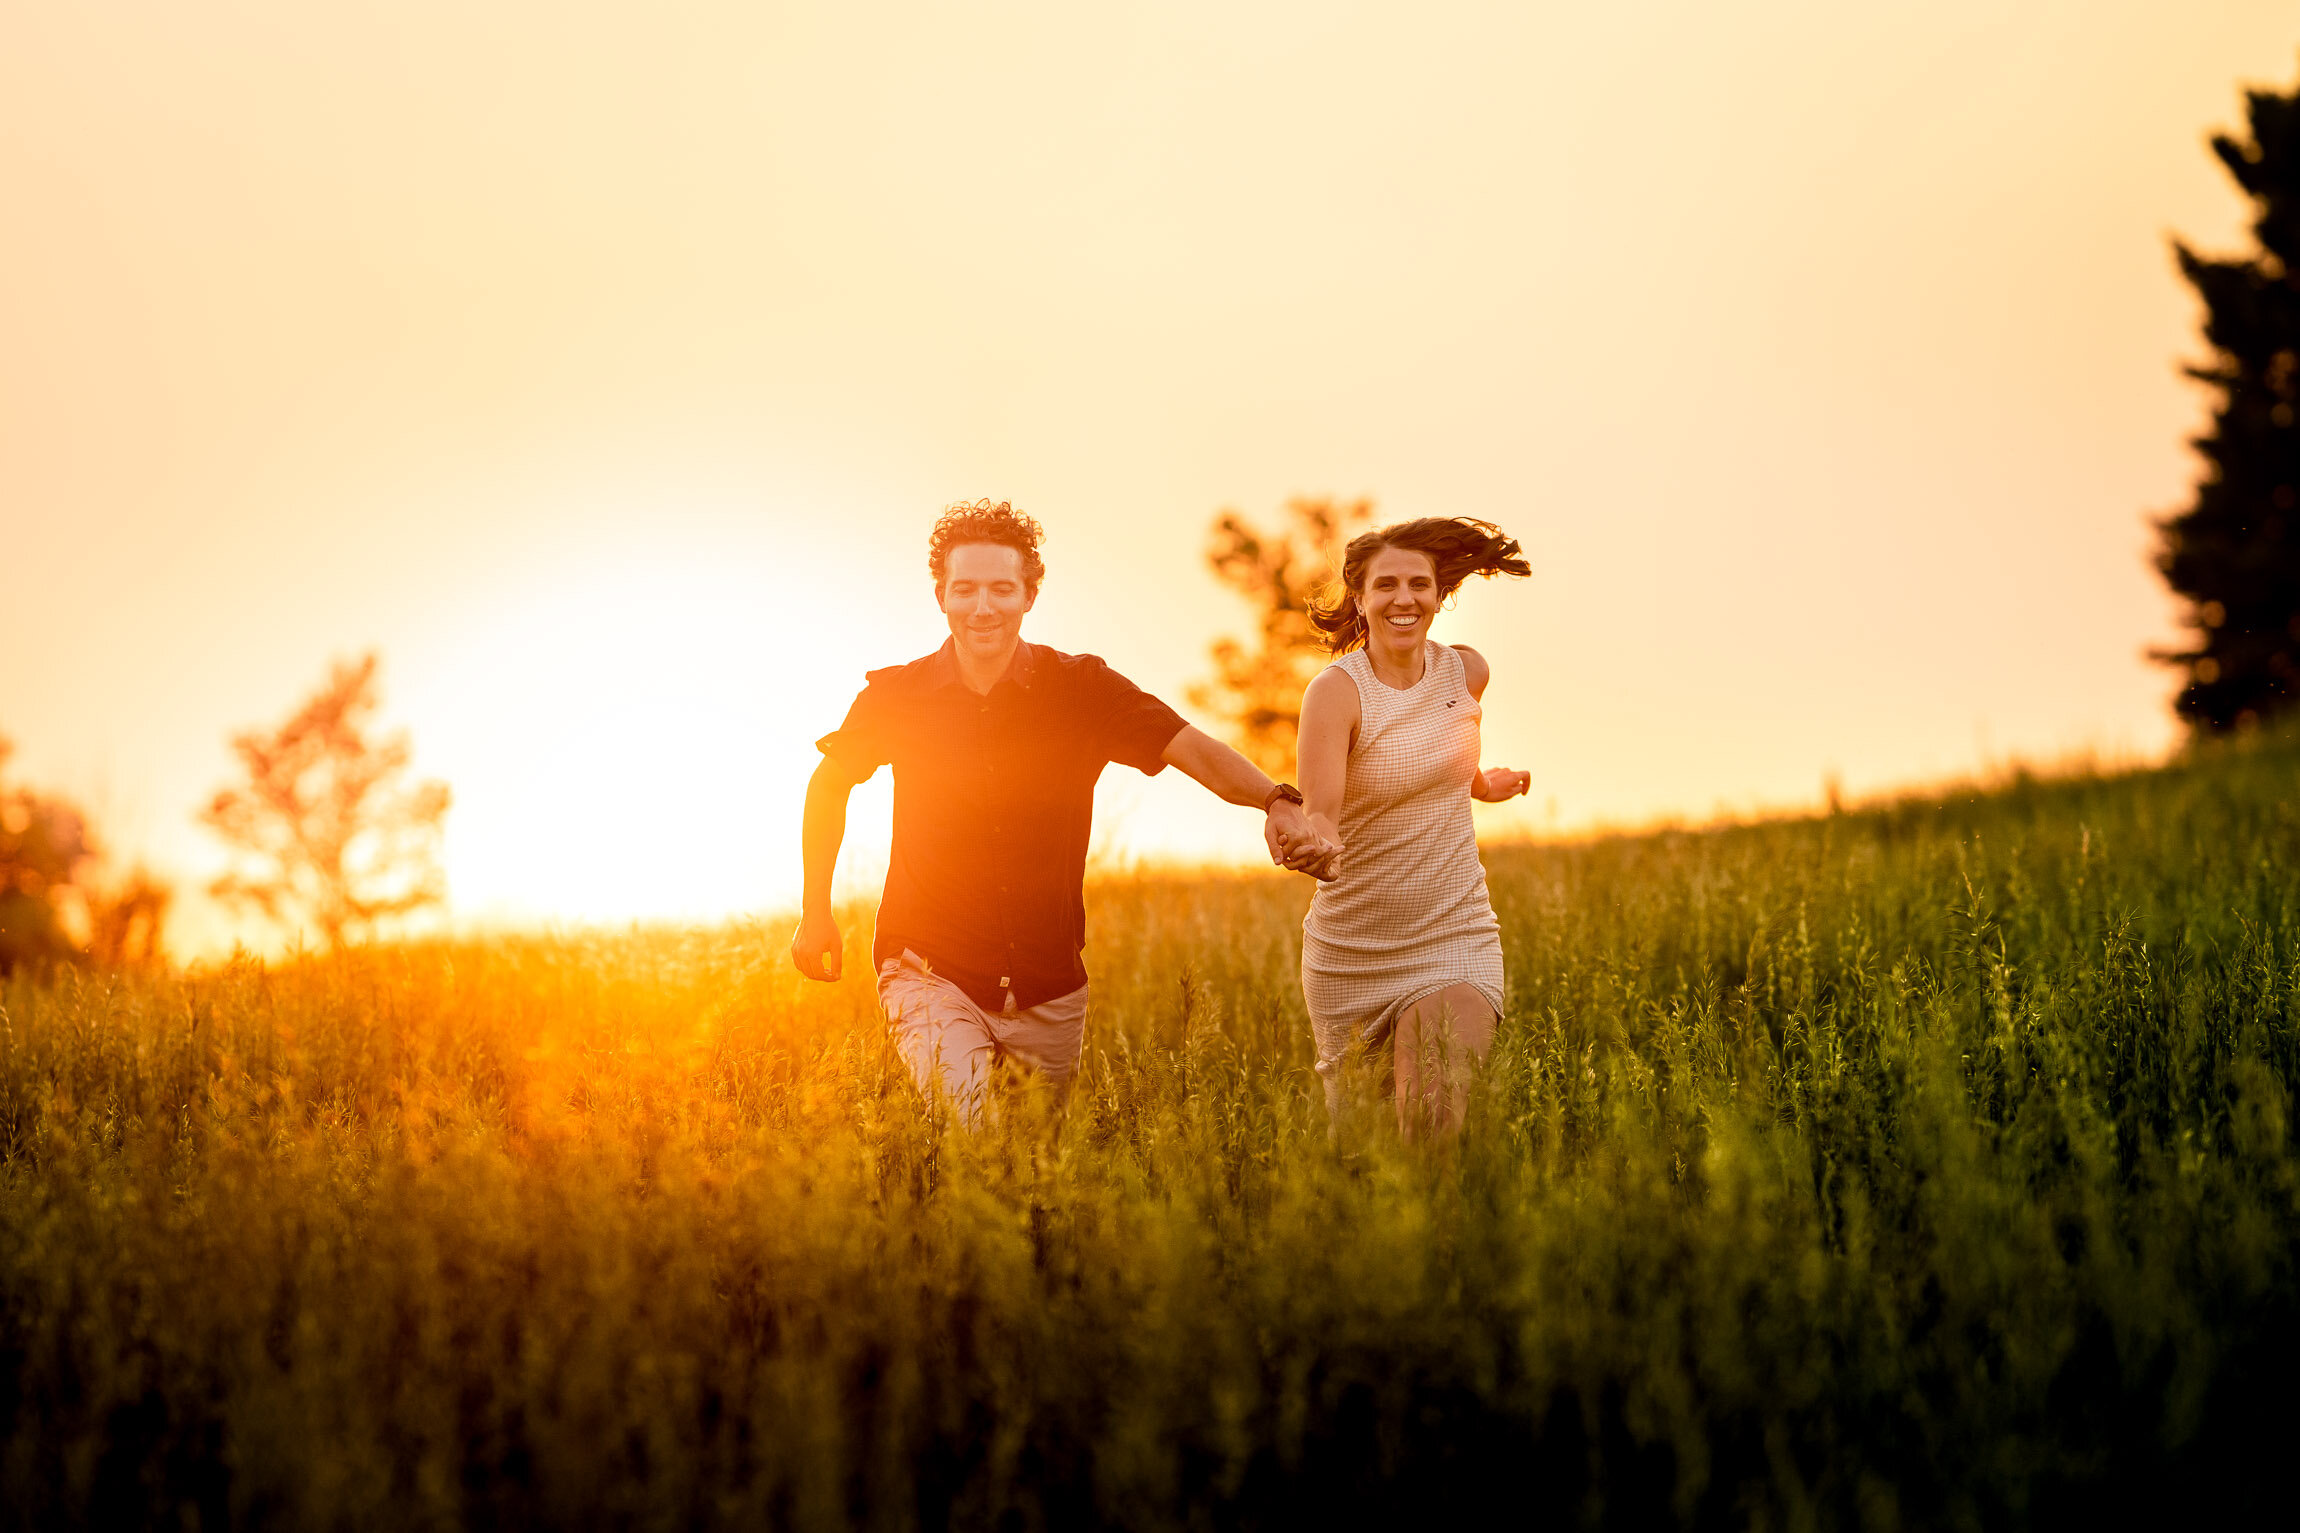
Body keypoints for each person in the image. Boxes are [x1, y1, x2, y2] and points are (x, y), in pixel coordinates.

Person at [791, 498, 1337, 1120]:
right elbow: (827, 786)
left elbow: (1191, 748)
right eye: (964, 589)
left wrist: (1274, 799)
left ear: (1029, 595)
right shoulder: (897, 696)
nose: (982, 606)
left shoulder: (1082, 690)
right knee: (972, 1132)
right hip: (928, 966)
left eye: (1002, 588)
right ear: (940, 595)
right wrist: (816, 913)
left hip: (1049, 986)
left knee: (1037, 1173)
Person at [1292, 517, 1532, 1136]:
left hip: (1455, 932)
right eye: (1387, 585)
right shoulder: (1338, 693)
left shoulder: (1466, 671)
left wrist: (1483, 785)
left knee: (1429, 1130)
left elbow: (1449, 748)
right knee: (1362, 1156)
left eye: (1419, 584)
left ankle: (1446, 1234)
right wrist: (1317, 840)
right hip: (1354, 950)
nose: (1405, 598)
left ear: (1439, 593)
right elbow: (1322, 807)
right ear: (1361, 598)